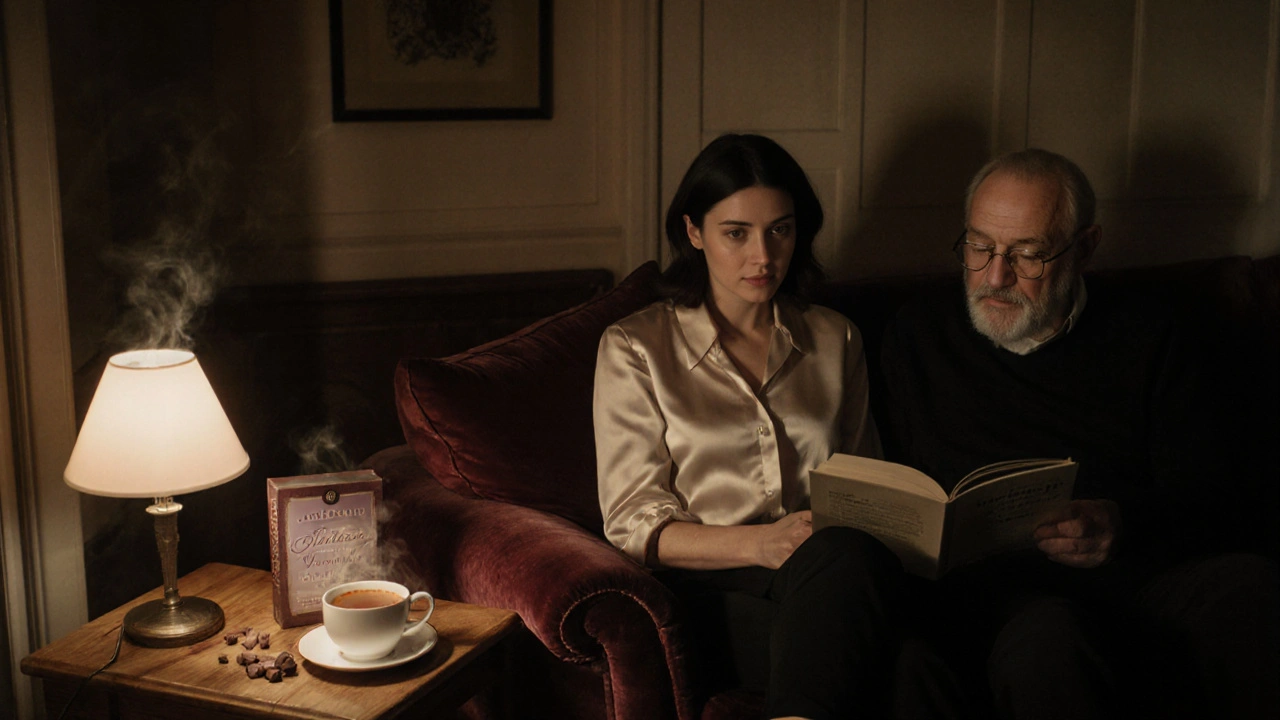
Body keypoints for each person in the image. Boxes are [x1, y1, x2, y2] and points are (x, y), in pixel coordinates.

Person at [880, 147, 1280, 720]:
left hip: (1134, 575)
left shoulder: (1154, 334)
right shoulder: (917, 336)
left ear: (1085, 247)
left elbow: (1214, 496)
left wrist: (1122, 522)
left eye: (1029, 255)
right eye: (979, 246)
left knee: (1250, 589)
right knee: (1047, 637)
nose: (995, 277)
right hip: (995, 594)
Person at [593, 134, 917, 720]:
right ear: (694, 232)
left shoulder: (834, 337)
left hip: (833, 574)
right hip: (711, 586)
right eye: (736, 233)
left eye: (781, 230)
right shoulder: (635, 347)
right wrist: (761, 543)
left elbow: (867, 481)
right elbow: (632, 523)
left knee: (913, 649)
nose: (763, 257)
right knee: (888, 640)